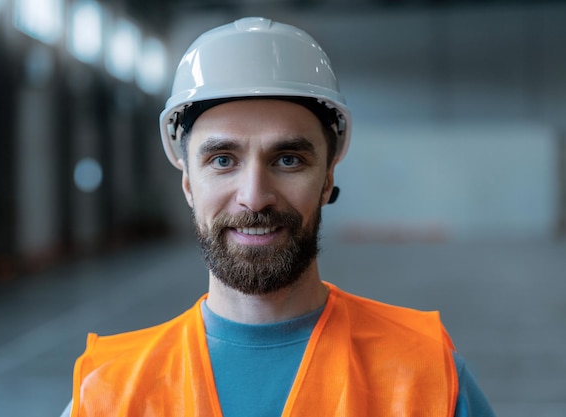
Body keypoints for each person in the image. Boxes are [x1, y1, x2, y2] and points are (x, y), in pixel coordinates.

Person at [62, 17, 495, 417]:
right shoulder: (109, 394)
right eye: (222, 160)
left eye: (288, 159)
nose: (255, 198)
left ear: (327, 180)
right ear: (188, 184)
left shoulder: (427, 377)